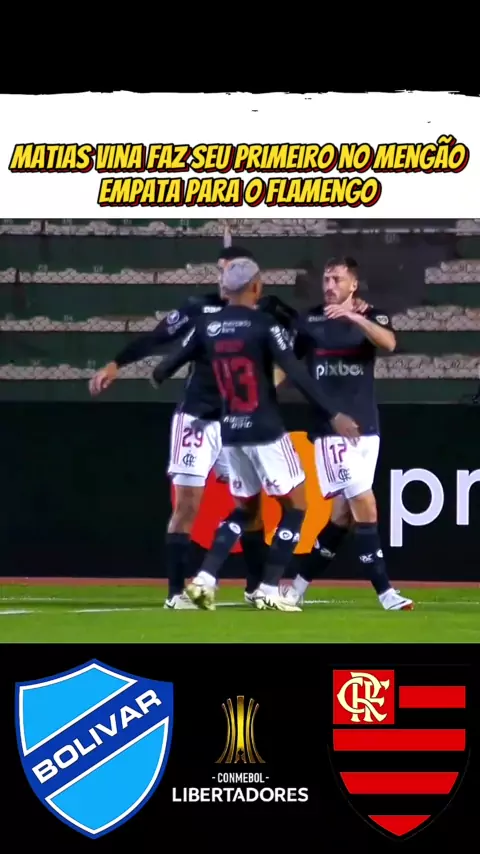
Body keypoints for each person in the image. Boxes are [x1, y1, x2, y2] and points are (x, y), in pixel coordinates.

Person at [88, 246, 298, 609]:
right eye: (219, 270)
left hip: (237, 420)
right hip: (197, 418)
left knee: (252, 506)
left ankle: (255, 588)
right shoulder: (198, 308)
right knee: (187, 505)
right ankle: (175, 594)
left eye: (229, 270)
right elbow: (158, 337)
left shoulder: (267, 311)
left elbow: (299, 336)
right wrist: (116, 363)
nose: (223, 278)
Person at [151, 257, 359, 612]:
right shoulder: (263, 325)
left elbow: (164, 367)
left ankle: (204, 579)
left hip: (230, 431)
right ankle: (267, 587)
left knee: (246, 510)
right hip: (264, 428)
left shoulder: (206, 326)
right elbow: (297, 372)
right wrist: (334, 413)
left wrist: (162, 374)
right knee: (297, 506)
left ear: (224, 289)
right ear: (257, 287)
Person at [277, 256, 413, 611]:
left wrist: (354, 317)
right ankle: (386, 592)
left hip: (368, 429)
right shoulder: (310, 320)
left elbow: (389, 343)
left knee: (344, 517)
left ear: (353, 285)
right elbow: (288, 365)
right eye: (326, 279)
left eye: (337, 279)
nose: (329, 285)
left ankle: (296, 588)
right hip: (331, 430)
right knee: (365, 503)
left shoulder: (371, 316)